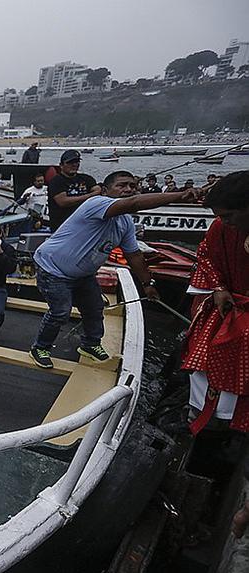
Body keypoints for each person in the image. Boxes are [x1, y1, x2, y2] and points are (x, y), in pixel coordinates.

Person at [29, 171, 197, 369]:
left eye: (132, 186)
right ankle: (40, 347)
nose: (128, 189)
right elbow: (134, 203)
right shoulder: (96, 203)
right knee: (60, 312)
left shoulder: (125, 223)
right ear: (105, 190)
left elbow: (134, 255)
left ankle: (90, 344)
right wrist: (180, 195)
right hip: (53, 268)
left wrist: (147, 284)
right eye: (121, 185)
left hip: (84, 275)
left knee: (95, 308)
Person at [180, 171, 249, 436]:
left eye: (229, 216)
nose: (224, 221)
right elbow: (205, 254)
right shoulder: (221, 227)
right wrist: (219, 287)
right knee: (203, 364)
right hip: (229, 306)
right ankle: (205, 419)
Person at [46, 150, 100, 231]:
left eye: (77, 162)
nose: (74, 165)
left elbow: (98, 190)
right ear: (61, 165)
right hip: (63, 227)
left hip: (84, 225)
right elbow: (63, 202)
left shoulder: (86, 178)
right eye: (70, 162)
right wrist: (90, 196)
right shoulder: (56, 181)